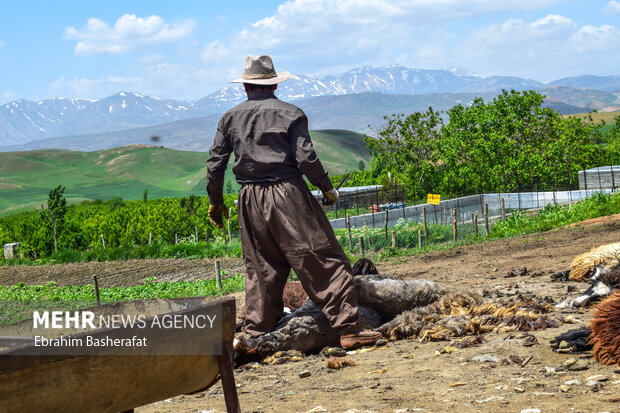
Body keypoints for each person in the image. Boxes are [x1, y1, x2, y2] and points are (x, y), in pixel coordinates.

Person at [206, 55, 381, 349]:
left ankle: (257, 334)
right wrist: (326, 188)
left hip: (248, 198)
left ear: (245, 86)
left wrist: (216, 201)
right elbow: (306, 158)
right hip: (287, 193)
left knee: (261, 267)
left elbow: (215, 165)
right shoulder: (290, 113)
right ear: (274, 84)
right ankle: (349, 329)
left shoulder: (229, 118)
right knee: (322, 258)